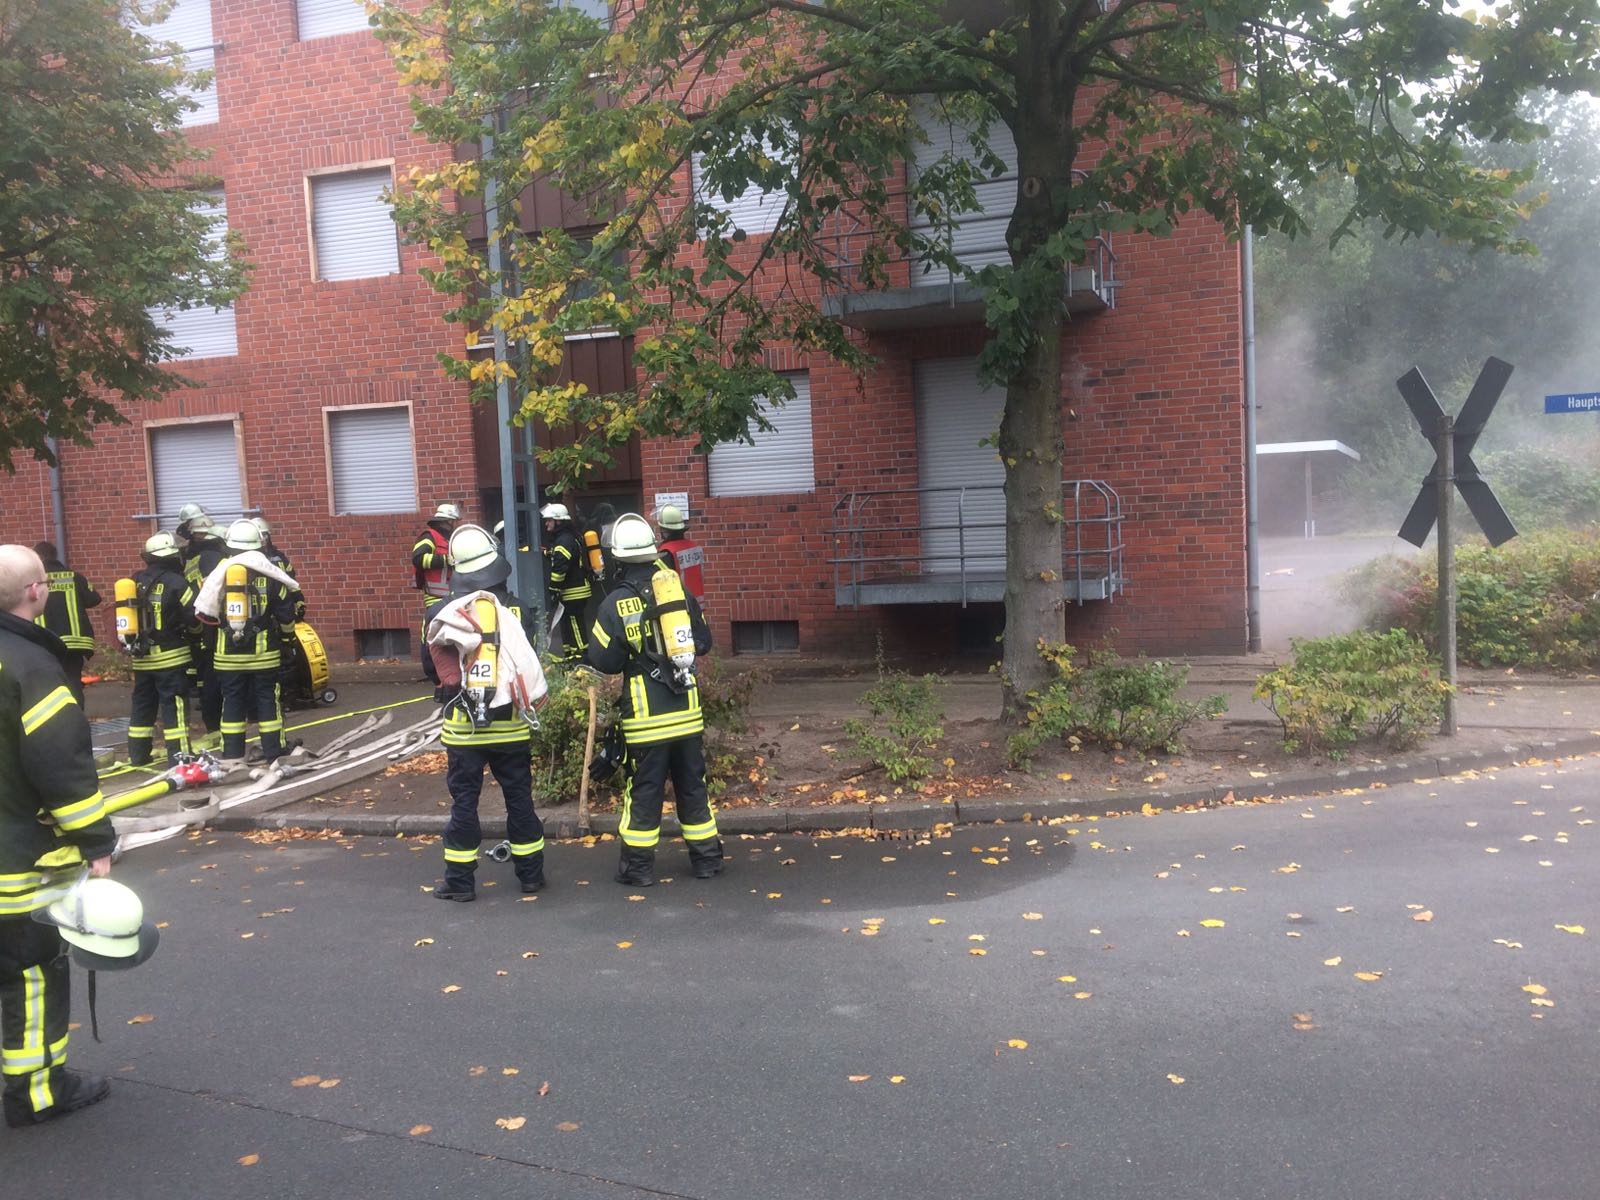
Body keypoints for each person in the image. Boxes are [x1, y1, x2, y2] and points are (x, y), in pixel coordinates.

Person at [0, 544, 117, 1127]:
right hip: (15, 859)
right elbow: (61, 768)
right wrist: (96, 842)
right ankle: (37, 1093)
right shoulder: (32, 667)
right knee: (30, 970)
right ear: (36, 592)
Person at [586, 513, 722, 886]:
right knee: (693, 786)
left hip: (647, 718)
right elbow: (704, 643)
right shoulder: (678, 592)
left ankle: (638, 869)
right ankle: (707, 860)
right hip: (687, 712)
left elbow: (604, 662)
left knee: (644, 792)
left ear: (618, 558)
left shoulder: (614, 604)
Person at [425, 525, 548, 902]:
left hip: (464, 730)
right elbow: (528, 659)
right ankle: (531, 876)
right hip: (511, 726)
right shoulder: (516, 608)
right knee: (519, 800)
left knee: (464, 803)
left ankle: (460, 883)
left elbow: (431, 670)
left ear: (457, 567)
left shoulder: (439, 611)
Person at [194, 520, 301, 765]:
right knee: (267, 700)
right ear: (258, 545)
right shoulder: (271, 575)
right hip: (263, 655)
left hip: (227, 656)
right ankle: (274, 750)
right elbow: (286, 613)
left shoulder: (217, 576)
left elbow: (204, 611)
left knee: (231, 701)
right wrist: (287, 641)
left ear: (229, 545)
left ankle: (231, 754)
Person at [123, 532, 199, 767]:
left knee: (143, 706)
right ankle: (180, 757)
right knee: (173, 705)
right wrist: (196, 639)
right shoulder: (177, 582)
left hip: (142, 659)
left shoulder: (134, 581)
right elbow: (194, 618)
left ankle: (138, 755)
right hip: (170, 658)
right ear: (172, 557)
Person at [30, 542, 100, 707]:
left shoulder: (35, 582)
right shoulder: (74, 577)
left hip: (45, 643)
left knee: (48, 684)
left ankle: (56, 722)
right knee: (73, 681)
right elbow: (94, 599)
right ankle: (77, 719)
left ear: (39, 557)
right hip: (75, 643)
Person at [181, 515, 228, 742]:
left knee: (205, 675)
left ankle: (212, 725)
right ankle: (220, 723)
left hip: (196, 623)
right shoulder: (215, 559)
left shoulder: (192, 560)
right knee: (217, 674)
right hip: (214, 624)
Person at [412, 503, 460, 685]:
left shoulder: (448, 540)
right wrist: (446, 559)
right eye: (454, 522)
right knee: (432, 635)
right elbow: (418, 558)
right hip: (435, 597)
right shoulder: (429, 537)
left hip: (452, 596)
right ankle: (434, 674)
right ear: (448, 521)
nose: (455, 525)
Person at [541, 503, 591, 663]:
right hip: (573, 590)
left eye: (549, 520)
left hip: (574, 591)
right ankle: (571, 657)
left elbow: (560, 567)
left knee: (575, 624)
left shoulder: (564, 540)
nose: (546, 524)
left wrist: (553, 589)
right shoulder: (567, 538)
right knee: (567, 625)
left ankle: (582, 659)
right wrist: (548, 553)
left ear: (559, 521)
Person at [654, 505, 706, 604]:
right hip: (698, 608)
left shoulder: (666, 553)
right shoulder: (694, 547)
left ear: (664, 530)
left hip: (679, 611)